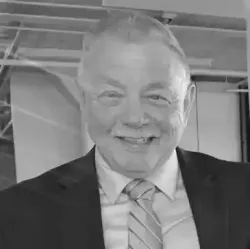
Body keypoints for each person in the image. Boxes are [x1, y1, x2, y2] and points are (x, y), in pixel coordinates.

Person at [0, 10, 250, 249]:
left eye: (156, 97)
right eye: (111, 95)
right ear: (85, 101)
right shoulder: (14, 215)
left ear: (186, 104)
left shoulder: (244, 192)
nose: (135, 118)